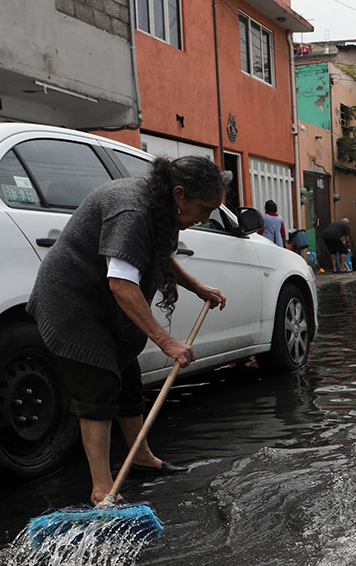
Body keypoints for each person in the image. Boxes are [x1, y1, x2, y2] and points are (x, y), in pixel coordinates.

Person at [27, 156, 228, 504]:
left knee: (128, 376)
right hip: (72, 302)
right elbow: (122, 284)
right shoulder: (132, 211)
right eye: (204, 208)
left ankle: (141, 457)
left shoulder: (162, 206)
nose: (205, 218)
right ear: (180, 193)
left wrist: (198, 288)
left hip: (103, 302)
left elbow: (159, 255)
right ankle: (102, 490)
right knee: (99, 384)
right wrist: (166, 342)